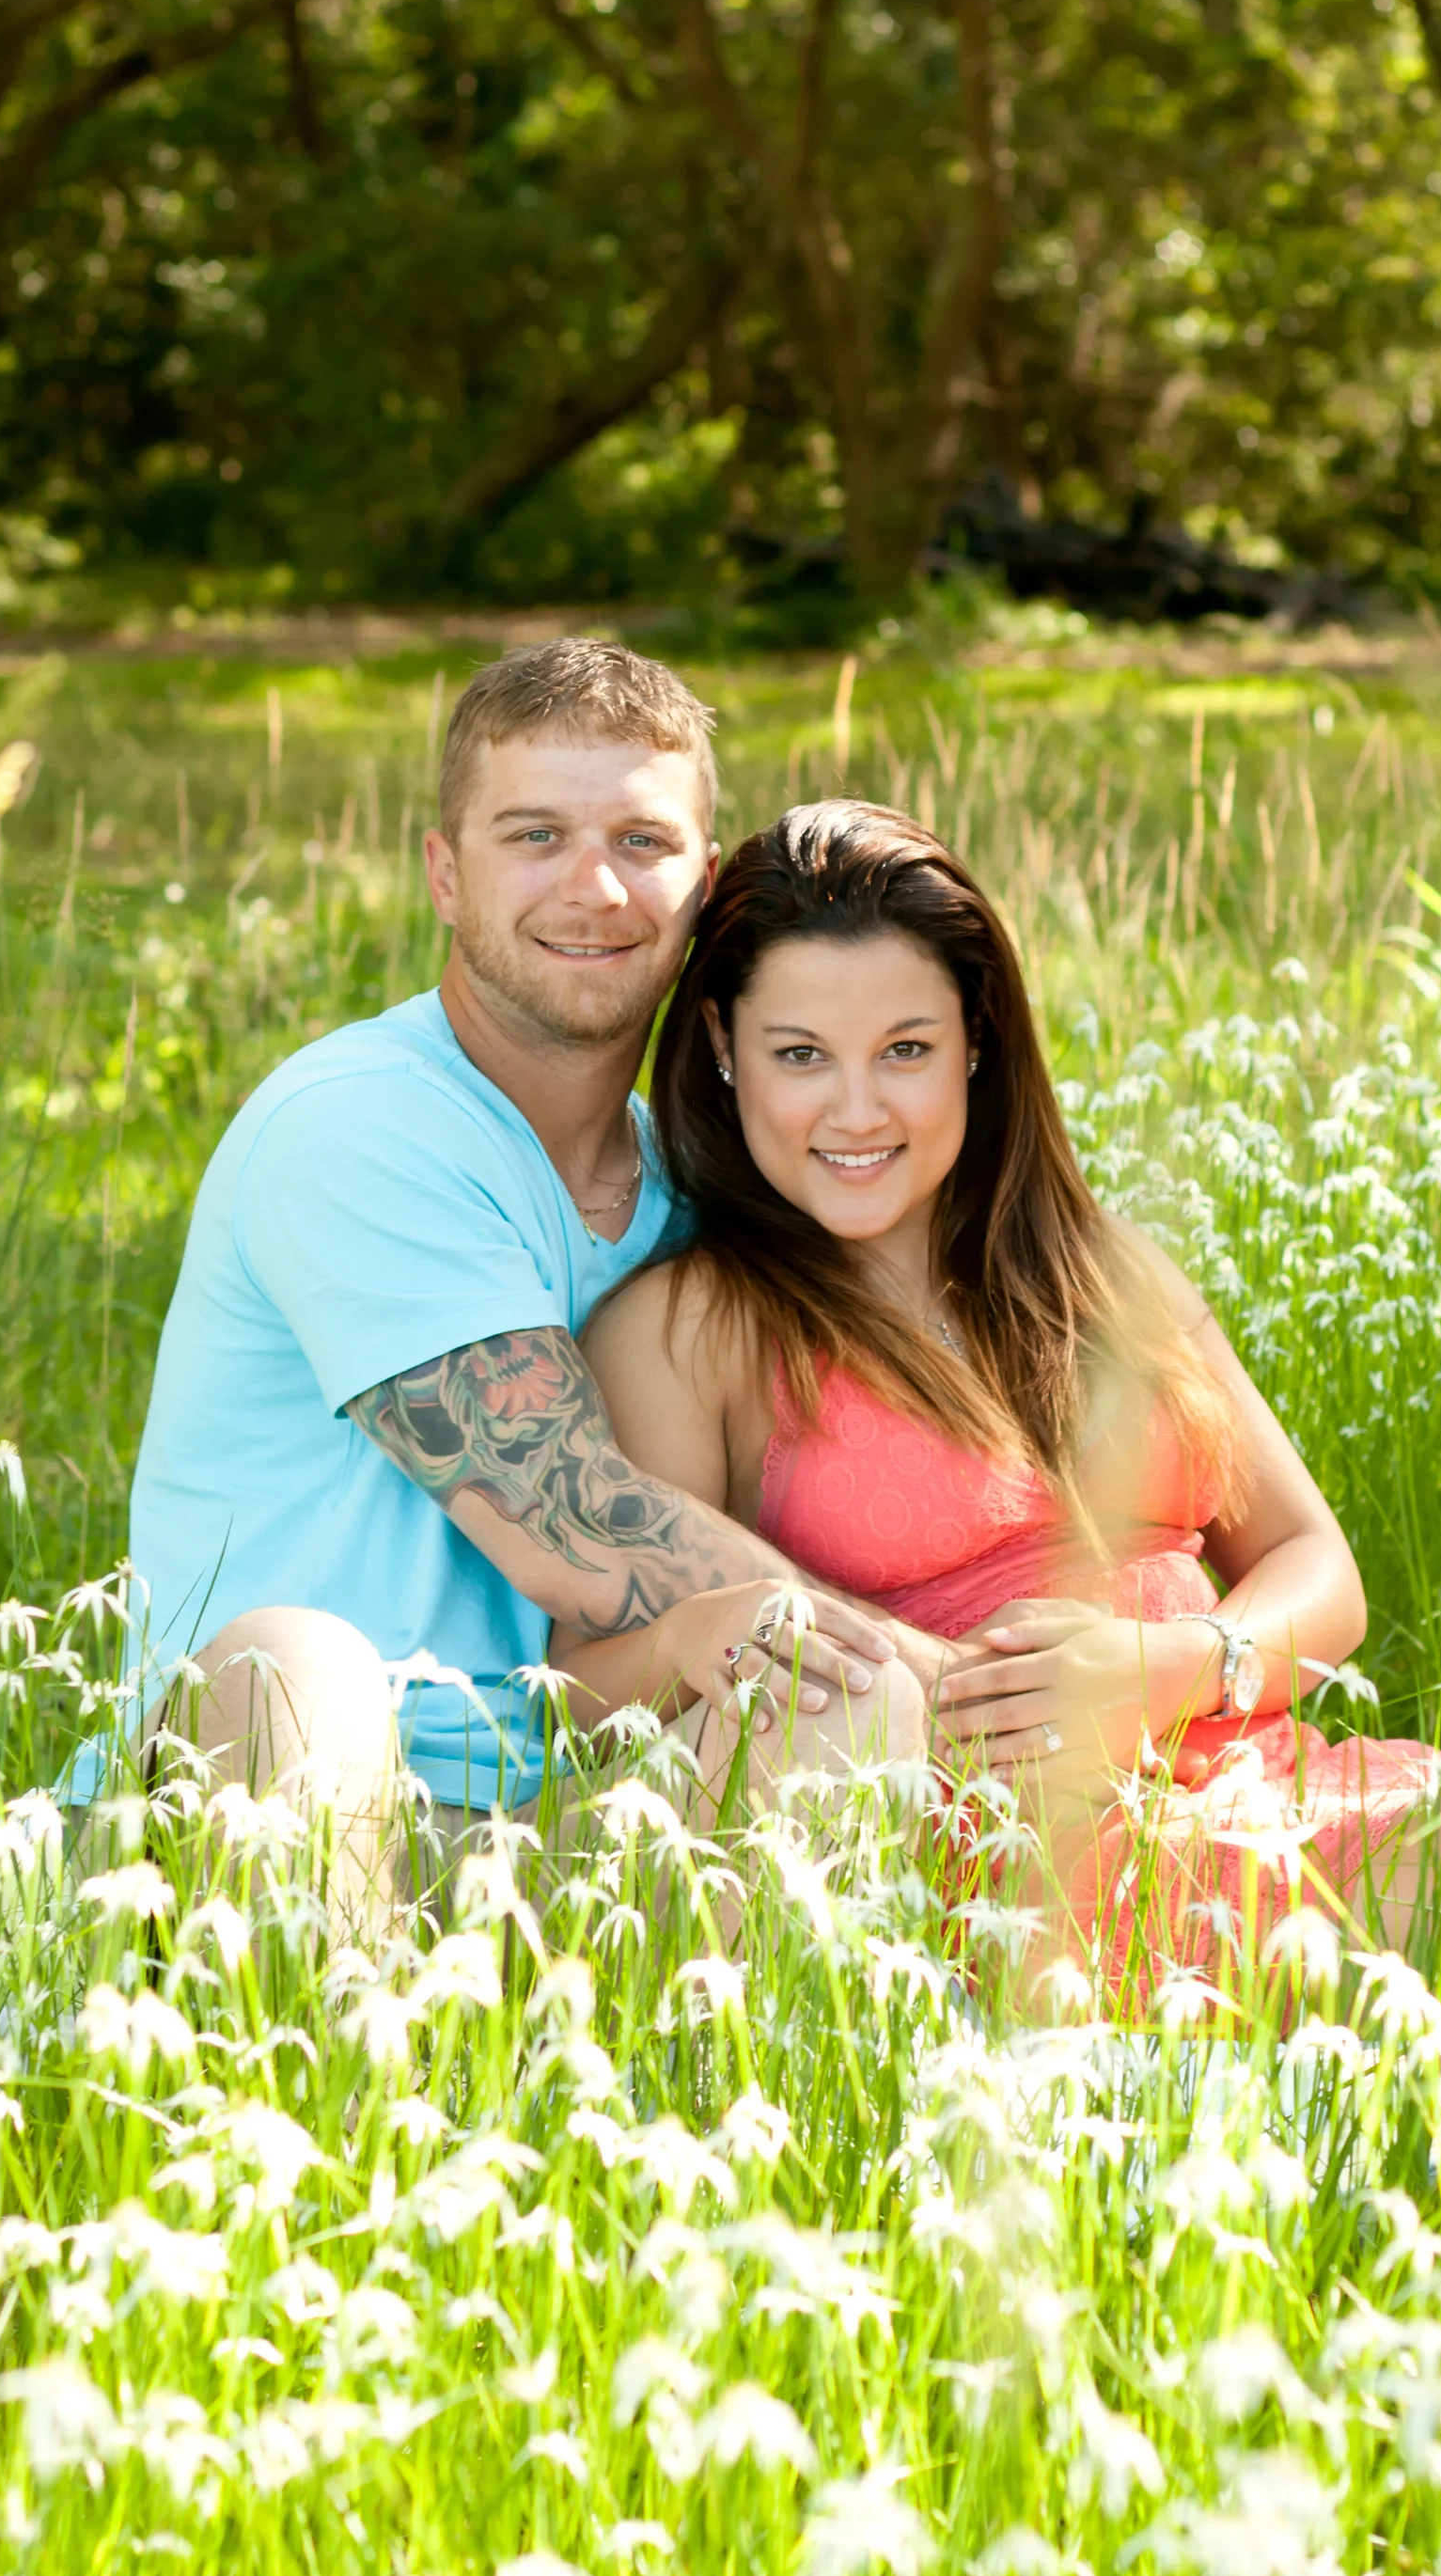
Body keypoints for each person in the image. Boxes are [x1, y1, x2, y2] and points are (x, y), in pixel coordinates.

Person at [578, 799, 1441, 2051]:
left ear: (977, 1039)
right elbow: (595, 1687)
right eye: (802, 1053)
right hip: (1015, 1855)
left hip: (1270, 1781)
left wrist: (1177, 1663)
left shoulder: (1102, 1271)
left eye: (905, 1049)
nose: (856, 1109)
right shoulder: (692, 1331)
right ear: (722, 1047)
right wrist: (741, 1639)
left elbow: (1321, 1570)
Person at [107, 641, 921, 1900]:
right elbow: (579, 1523)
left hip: (573, 1792)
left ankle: (710, 2090)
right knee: (298, 1664)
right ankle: (324, 2086)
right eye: (534, 835)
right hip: (286, 1785)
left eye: (641, 843)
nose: (593, 886)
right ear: (444, 871)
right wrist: (953, 1665)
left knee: (834, 1693)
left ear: (704, 884)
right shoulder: (358, 1122)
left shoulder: (695, 1179)